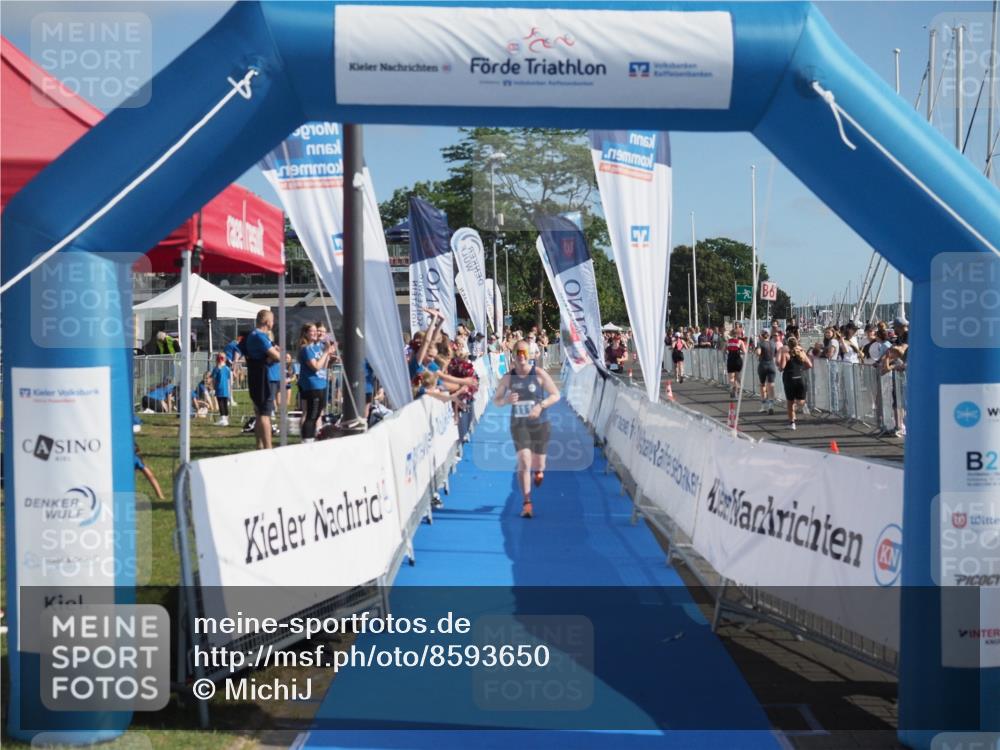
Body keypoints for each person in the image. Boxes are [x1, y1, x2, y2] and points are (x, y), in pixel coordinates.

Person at [492, 339, 561, 519]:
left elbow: (556, 395)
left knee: (539, 464)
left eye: (524, 353)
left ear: (529, 355)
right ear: (513, 355)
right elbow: (496, 400)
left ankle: (539, 472)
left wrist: (541, 406)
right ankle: (527, 503)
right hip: (519, 424)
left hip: (540, 423)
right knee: (524, 460)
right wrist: (506, 400)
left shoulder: (538, 373)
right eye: (518, 353)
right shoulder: (508, 377)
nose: (521, 356)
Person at [245, 309, 281, 449]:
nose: (273, 323)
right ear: (267, 322)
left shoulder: (257, 336)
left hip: (262, 377)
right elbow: (276, 356)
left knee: (260, 413)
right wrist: (279, 354)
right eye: (272, 320)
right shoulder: (259, 336)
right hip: (265, 379)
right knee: (265, 414)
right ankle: (268, 447)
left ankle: (260, 446)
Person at [297, 323, 334, 442]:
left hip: (321, 383)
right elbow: (316, 367)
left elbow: (324, 366)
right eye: (312, 331)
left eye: (315, 331)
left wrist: (328, 354)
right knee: (311, 415)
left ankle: (313, 437)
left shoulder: (317, 347)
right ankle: (306, 441)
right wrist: (325, 352)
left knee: (317, 414)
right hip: (312, 385)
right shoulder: (306, 348)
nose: (315, 333)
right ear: (305, 333)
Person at [777, 335, 813, 430]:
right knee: (800, 400)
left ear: (788, 344)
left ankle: (792, 423)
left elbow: (781, 368)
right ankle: (802, 405)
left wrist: (779, 365)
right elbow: (810, 365)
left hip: (789, 379)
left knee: (790, 402)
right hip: (801, 378)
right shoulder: (801, 352)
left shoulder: (786, 354)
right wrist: (801, 369)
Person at [755, 329, 778, 414]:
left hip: (763, 365)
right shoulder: (773, 343)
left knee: (762, 385)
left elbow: (758, 353)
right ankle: (771, 405)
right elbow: (776, 354)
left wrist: (758, 347)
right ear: (769, 335)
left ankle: (763, 406)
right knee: (771, 385)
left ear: (761, 335)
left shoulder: (760, 343)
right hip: (771, 365)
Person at [725, 325, 747, 398]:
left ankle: (732, 388)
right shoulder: (740, 341)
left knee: (731, 378)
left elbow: (723, 350)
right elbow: (745, 352)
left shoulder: (728, 341)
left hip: (730, 360)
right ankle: (737, 390)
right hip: (737, 360)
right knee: (737, 377)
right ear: (738, 334)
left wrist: (728, 351)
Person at [211, 352, 232, 426]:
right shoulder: (219, 368)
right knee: (223, 403)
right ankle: (224, 418)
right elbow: (213, 377)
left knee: (222, 404)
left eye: (222, 358)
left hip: (222, 388)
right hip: (221, 388)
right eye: (219, 358)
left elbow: (229, 379)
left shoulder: (225, 368)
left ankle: (224, 418)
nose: (220, 360)